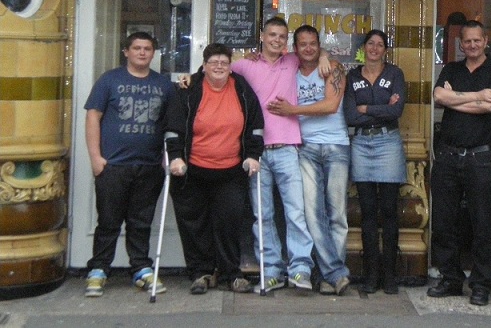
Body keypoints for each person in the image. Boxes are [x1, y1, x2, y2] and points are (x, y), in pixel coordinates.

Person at [162, 43, 264, 294]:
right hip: (192, 170)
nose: (219, 66)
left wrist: (253, 155)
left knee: (228, 223)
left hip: (230, 171)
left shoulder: (241, 88)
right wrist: (175, 157)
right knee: (195, 224)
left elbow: (256, 126)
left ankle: (231, 273)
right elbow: (173, 127)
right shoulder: (188, 89)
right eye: (213, 62)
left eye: (224, 62)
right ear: (204, 65)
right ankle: (201, 272)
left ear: (231, 66)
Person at [230, 16, 319, 292]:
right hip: (256, 153)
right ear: (262, 36)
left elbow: (314, 50)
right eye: (272, 35)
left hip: (288, 149)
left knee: (296, 212)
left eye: (282, 36)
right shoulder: (244, 65)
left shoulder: (291, 61)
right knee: (263, 214)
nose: (277, 40)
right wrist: (189, 79)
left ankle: (300, 269)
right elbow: (215, 70)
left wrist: (325, 56)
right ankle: (271, 270)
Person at [83, 32, 174, 298]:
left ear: (154, 53)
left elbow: (172, 121)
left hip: (149, 166)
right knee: (109, 222)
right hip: (113, 165)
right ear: (127, 52)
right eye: (137, 48)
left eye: (147, 48)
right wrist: (95, 158)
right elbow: (92, 118)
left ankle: (141, 269)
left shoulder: (164, 85)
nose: (142, 53)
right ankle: (98, 270)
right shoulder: (109, 80)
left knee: (141, 222)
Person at [428, 20, 491, 307]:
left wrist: (454, 99)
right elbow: (438, 96)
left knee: (482, 223)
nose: (472, 45)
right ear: (460, 44)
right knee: (444, 221)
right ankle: (450, 278)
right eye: (467, 41)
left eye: (477, 40)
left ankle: (481, 284)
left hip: (481, 157)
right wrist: (475, 95)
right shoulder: (451, 69)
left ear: (486, 40)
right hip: (448, 155)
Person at [267, 25, 352, 296]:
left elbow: (330, 106)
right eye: (302, 44)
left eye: (313, 44)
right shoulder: (289, 70)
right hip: (305, 148)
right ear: (295, 47)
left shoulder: (334, 68)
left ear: (319, 44)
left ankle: (329, 276)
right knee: (313, 215)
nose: (308, 48)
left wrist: (293, 110)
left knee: (337, 214)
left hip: (336, 146)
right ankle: (334, 273)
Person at [343, 29, 406, 295]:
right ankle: (370, 275)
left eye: (380, 45)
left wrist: (366, 108)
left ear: (385, 50)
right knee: (368, 213)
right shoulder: (352, 76)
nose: (375, 49)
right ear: (364, 47)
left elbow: (397, 111)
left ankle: (389, 276)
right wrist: (382, 111)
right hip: (361, 144)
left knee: (389, 211)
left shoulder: (395, 74)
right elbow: (349, 116)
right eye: (371, 43)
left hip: (388, 143)